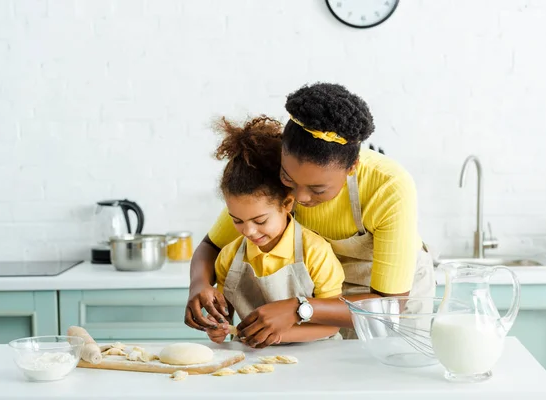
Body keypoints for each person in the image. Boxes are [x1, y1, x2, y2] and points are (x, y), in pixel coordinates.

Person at [185, 82, 435, 347]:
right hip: (322, 293)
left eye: (318, 189)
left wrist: (299, 309)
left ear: (352, 167)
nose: (300, 198)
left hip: (386, 300)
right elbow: (211, 247)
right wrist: (199, 286)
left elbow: (388, 305)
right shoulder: (273, 167)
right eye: (288, 179)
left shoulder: (388, 187)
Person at [203, 115, 345, 346]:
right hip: (256, 357)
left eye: (259, 221)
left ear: (287, 204)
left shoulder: (315, 252)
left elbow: (331, 323)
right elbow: (225, 317)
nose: (248, 230)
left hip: (320, 356)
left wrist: (278, 336)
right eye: (237, 220)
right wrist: (218, 328)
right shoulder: (228, 258)